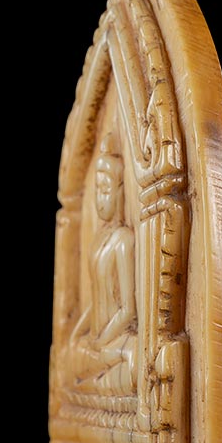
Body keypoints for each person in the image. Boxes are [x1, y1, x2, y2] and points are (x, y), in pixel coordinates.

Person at [68, 130, 137, 395]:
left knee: (132, 359)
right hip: (97, 342)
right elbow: (96, 300)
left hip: (114, 339)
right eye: (97, 190)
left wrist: (102, 340)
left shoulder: (123, 240)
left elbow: (128, 310)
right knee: (70, 358)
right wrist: (79, 335)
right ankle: (97, 378)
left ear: (120, 191)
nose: (100, 198)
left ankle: (97, 379)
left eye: (105, 190)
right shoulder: (98, 241)